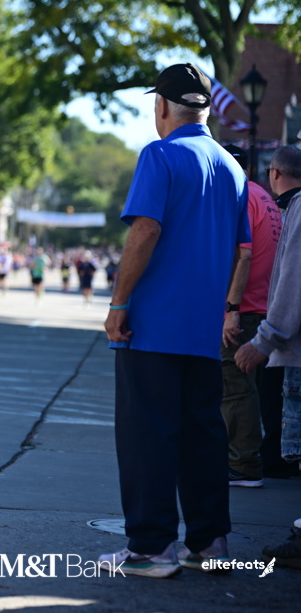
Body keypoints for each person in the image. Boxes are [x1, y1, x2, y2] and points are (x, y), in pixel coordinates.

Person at [100, 63, 249, 578]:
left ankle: (151, 547)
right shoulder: (232, 168)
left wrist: (118, 304)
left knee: (148, 434)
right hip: (202, 328)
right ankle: (210, 542)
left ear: (161, 106)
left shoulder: (160, 154)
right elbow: (243, 251)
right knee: (203, 435)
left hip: (153, 325)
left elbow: (145, 229)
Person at [233, 145, 301, 568]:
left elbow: (291, 279)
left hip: (275, 332)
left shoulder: (290, 207)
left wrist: (264, 338)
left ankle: (244, 465)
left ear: (275, 173)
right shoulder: (273, 204)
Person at [219, 144, 281, 489]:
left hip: (242, 309)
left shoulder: (239, 197)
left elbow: (241, 255)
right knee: (247, 387)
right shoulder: (264, 197)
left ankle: (242, 464)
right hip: (262, 306)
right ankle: (244, 458)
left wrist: (231, 309)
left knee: (235, 386)